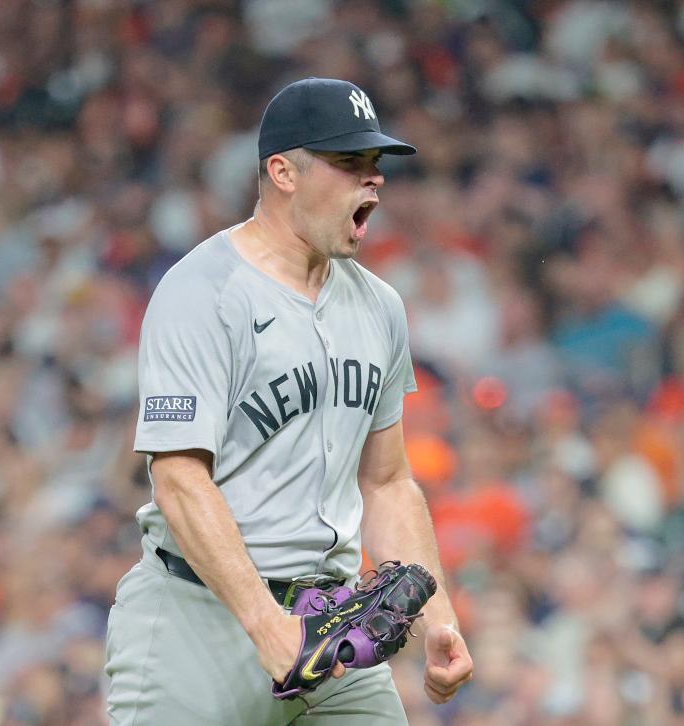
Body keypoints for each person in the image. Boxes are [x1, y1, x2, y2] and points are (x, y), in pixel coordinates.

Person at [104, 77, 474, 724]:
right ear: (283, 172)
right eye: (350, 163)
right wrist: (266, 625)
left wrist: (438, 614)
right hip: (199, 624)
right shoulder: (203, 293)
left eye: (375, 165)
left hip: (330, 630)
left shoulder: (380, 307)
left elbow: (387, 482)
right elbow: (179, 478)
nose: (374, 181)